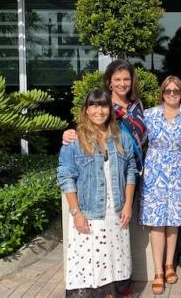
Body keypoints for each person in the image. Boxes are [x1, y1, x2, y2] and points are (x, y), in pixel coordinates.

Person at [62, 59, 146, 295]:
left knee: (113, 253)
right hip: (90, 209)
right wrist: (77, 213)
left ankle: (111, 290)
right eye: (94, 106)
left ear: (110, 109)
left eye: (103, 107)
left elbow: (130, 168)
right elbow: (66, 177)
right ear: (86, 109)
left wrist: (128, 204)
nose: (99, 111)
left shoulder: (119, 136)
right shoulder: (75, 140)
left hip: (116, 206)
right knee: (89, 255)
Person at [139, 76, 181, 295]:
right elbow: (136, 141)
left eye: (176, 91)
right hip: (155, 172)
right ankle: (157, 272)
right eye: (168, 91)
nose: (172, 94)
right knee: (157, 223)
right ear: (162, 93)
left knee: (173, 221)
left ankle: (169, 265)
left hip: (179, 172)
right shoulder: (149, 115)